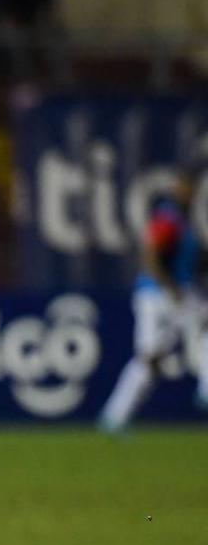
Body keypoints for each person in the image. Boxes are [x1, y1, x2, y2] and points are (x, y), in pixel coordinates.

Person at [99, 174, 204, 431]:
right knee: (151, 357)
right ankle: (114, 417)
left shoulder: (184, 224)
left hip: (170, 292)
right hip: (159, 294)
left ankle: (115, 416)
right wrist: (172, 288)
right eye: (184, 190)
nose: (188, 196)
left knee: (151, 359)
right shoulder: (167, 219)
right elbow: (150, 255)